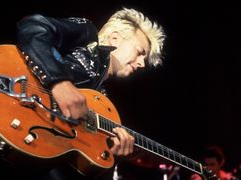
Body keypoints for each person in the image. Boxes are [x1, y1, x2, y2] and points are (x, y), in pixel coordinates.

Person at [14, 7, 165, 180]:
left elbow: (69, 157)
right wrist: (59, 82)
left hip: (31, 151)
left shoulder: (101, 100)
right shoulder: (88, 35)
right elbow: (33, 25)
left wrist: (108, 153)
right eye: (140, 53)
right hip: (15, 96)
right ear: (115, 37)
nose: (142, 64)